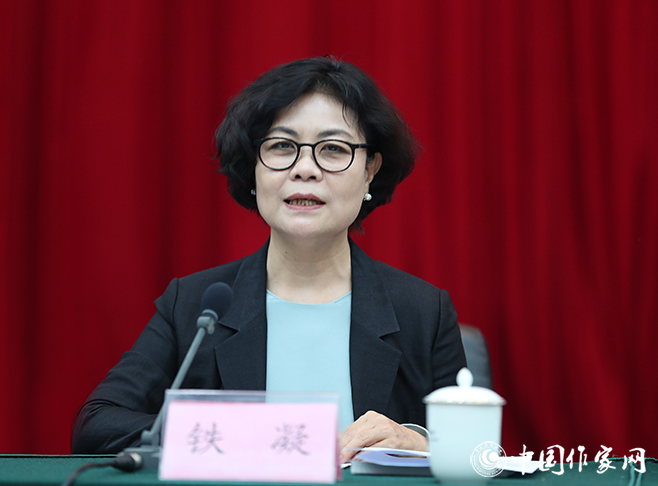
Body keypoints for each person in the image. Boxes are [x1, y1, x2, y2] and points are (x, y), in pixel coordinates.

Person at [71, 56, 467, 462]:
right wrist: (242, 434)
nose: (305, 169)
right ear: (254, 168)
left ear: (370, 170)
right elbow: (98, 424)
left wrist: (423, 444)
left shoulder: (423, 312)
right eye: (282, 147)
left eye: (333, 149)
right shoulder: (193, 306)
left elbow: (481, 454)